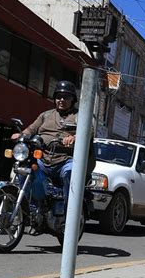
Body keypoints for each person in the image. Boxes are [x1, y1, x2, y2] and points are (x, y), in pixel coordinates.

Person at [11, 80, 91, 209]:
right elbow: (31, 129)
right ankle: (29, 206)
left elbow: (88, 132)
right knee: (24, 170)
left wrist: (74, 137)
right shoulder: (46, 115)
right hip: (43, 158)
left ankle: (68, 212)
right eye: (59, 96)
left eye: (66, 97)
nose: (61, 100)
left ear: (73, 99)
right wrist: (21, 135)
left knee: (70, 173)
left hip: (66, 160)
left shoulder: (79, 117)